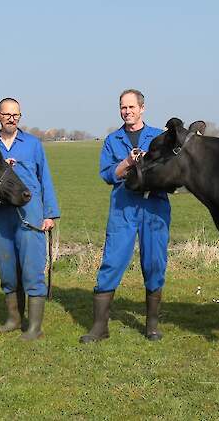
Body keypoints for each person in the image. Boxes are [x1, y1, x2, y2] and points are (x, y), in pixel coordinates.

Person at [81, 89, 170, 343]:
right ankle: (100, 327)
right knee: (112, 260)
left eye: (131, 107)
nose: (127, 111)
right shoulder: (112, 140)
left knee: (154, 262)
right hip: (123, 206)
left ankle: (152, 326)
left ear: (142, 108)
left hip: (154, 207)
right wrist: (128, 163)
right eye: (123, 107)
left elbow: (170, 170)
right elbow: (107, 174)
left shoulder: (159, 138)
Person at [0, 97, 60, 340]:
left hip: (30, 214)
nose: (11, 118)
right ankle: (13, 319)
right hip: (0, 215)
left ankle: (34, 327)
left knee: (31, 270)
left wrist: (50, 214)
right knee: (7, 270)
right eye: (7, 114)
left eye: (16, 115)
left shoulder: (32, 144)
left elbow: (45, 178)